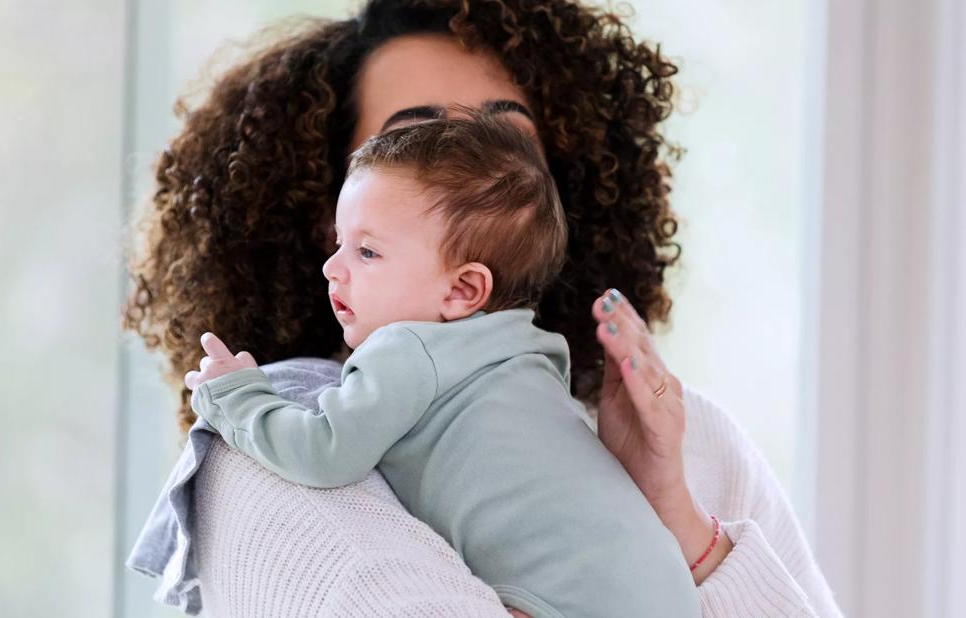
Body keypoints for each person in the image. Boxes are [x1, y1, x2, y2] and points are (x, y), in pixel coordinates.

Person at [123, 0, 843, 616]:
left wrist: (679, 518)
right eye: (409, 144)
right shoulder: (266, 449)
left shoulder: (694, 438)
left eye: (504, 144)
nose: (464, 170)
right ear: (328, 211)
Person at [184, 114, 700, 617]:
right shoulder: (534, 351)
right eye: (337, 242)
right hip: (667, 583)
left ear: (463, 290)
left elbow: (324, 452)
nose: (331, 267)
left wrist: (238, 395)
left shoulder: (409, 348)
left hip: (563, 600)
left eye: (366, 251)